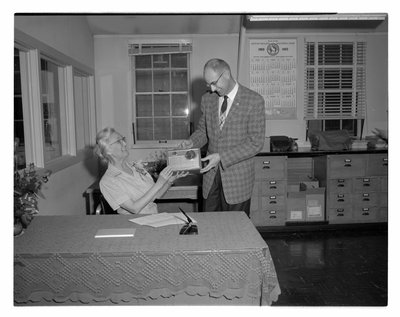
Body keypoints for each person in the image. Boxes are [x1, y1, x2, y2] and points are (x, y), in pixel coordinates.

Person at [179, 58, 266, 216]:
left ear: (226, 74)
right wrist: (191, 142)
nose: (212, 89)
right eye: (208, 84)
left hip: (238, 179)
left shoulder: (254, 100)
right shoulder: (208, 99)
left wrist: (221, 157)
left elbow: (256, 143)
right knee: (210, 226)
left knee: (236, 229)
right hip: (210, 177)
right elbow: (203, 131)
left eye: (214, 83)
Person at [94, 127, 188, 214]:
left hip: (153, 217)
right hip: (132, 224)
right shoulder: (108, 181)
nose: (125, 143)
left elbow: (156, 195)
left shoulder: (135, 166)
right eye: (119, 141)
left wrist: (168, 181)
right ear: (108, 150)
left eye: (123, 139)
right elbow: (134, 209)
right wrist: (159, 182)